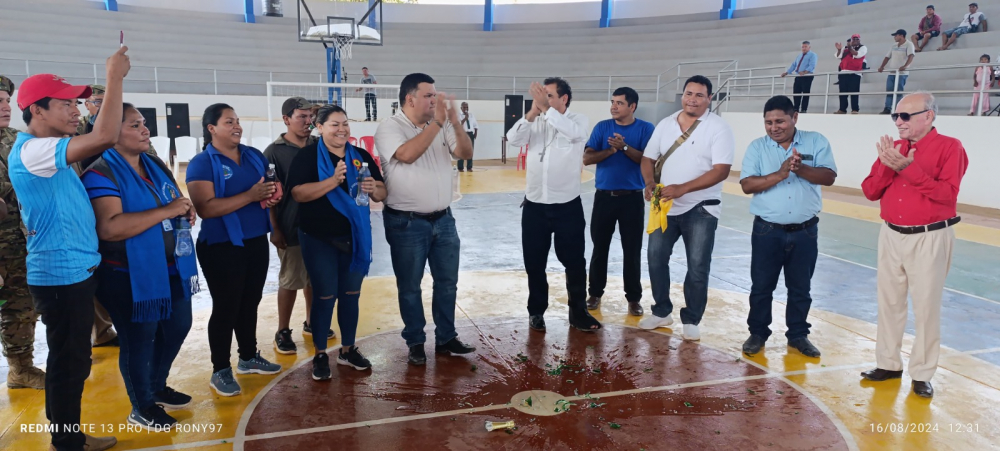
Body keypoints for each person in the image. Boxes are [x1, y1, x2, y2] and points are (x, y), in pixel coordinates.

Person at [7, 47, 131, 451]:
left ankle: (68, 435)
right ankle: (67, 441)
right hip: (61, 274)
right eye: (66, 104)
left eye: (77, 103)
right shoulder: (33, 151)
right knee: (69, 362)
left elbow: (98, 142)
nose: (76, 110)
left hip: (75, 268)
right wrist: (115, 77)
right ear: (37, 110)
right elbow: (106, 136)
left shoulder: (51, 151)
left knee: (72, 359)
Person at [82, 103, 198, 430]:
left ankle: (156, 385)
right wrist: (168, 211)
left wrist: (184, 211)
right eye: (135, 125)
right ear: (109, 132)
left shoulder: (154, 164)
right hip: (127, 273)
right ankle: (142, 405)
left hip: (170, 266)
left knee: (178, 326)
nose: (145, 129)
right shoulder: (100, 173)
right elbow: (111, 227)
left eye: (144, 123)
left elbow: (173, 200)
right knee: (139, 339)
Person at [860, 92, 968, 399]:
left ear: (928, 116)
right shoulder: (893, 148)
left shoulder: (950, 147)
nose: (898, 121)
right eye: (895, 116)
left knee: (926, 307)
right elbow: (870, 191)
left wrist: (907, 168)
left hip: (930, 236)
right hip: (891, 234)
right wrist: (886, 165)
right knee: (889, 303)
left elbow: (947, 195)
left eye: (905, 116)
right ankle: (888, 364)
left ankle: (922, 373)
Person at [374, 73, 476, 366]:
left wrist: (455, 122)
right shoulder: (390, 128)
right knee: (410, 285)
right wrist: (439, 123)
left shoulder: (440, 125)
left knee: (447, 283)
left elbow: (466, 153)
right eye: (429, 96)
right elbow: (406, 155)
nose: (435, 100)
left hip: (443, 220)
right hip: (406, 222)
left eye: (436, 96)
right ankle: (416, 341)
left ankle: (446, 337)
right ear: (410, 98)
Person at [186, 103, 282, 397]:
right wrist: (250, 195)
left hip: (255, 240)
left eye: (238, 121)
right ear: (211, 128)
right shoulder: (202, 163)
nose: (237, 126)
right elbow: (206, 208)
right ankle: (220, 370)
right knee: (227, 306)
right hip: (220, 245)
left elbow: (270, 186)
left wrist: (271, 196)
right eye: (229, 122)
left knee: (250, 301)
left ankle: (248, 357)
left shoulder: (253, 155)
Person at [287, 105, 387, 380]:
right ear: (319, 128)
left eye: (345, 123)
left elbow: (381, 193)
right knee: (325, 295)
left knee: (351, 296)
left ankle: (347, 349)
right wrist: (332, 181)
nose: (342, 129)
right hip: (318, 238)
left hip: (354, 238)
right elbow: (298, 194)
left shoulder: (360, 157)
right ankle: (320, 354)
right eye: (334, 124)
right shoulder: (307, 157)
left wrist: (373, 188)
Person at [739, 95, 837, 358]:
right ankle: (757, 332)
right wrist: (782, 173)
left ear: (795, 118)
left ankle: (798, 335)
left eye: (780, 121)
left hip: (805, 231)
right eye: (768, 122)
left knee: (800, 287)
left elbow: (828, 176)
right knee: (761, 286)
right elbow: (747, 185)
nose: (774, 127)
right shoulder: (757, 147)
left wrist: (800, 168)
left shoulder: (816, 141)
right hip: (766, 231)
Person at [638, 75, 734, 342]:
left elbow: (721, 171)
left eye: (699, 95)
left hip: (701, 208)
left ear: (709, 99)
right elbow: (648, 158)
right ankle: (661, 311)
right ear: (683, 95)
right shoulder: (666, 124)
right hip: (664, 206)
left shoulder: (718, 128)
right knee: (656, 257)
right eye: (688, 93)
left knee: (697, 265)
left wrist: (683, 188)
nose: (692, 99)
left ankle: (692, 318)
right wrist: (649, 183)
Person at [506, 78, 602, 333]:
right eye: (542, 95)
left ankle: (578, 312)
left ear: (564, 99)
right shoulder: (535, 120)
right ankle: (536, 311)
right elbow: (513, 138)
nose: (543, 100)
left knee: (574, 262)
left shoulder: (577, 120)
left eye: (548, 95)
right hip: (535, 206)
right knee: (534, 262)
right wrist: (532, 112)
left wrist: (546, 110)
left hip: (566, 206)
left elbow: (575, 135)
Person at [264, 97, 333, 355]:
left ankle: (311, 322)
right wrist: (275, 228)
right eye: (300, 117)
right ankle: (282, 329)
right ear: (286, 120)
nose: (307, 122)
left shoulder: (319, 145)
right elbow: (270, 194)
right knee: (291, 279)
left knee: (314, 277)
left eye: (309, 117)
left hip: (318, 225)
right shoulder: (274, 151)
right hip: (290, 226)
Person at [581, 87, 654, 317]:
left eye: (619, 103)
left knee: (631, 250)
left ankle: (633, 299)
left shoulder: (645, 129)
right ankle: (594, 293)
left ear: (632, 107)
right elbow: (587, 157)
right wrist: (611, 150)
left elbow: (648, 160)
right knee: (599, 248)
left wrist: (624, 147)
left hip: (632, 199)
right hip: (604, 197)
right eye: (612, 102)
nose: (614, 106)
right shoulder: (602, 127)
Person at [0, 75, 46, 391]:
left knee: (21, 307)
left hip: (22, 241)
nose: (4, 106)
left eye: (6, 100)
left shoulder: (17, 140)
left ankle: (21, 368)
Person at [878, 29, 916, 114]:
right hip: (892, 72)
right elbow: (887, 57)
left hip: (902, 73)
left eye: (896, 35)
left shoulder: (909, 44)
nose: (894, 37)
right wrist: (882, 66)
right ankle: (887, 108)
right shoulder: (894, 45)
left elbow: (911, 56)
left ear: (901, 36)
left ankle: (898, 109)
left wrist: (905, 66)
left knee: (898, 91)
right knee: (889, 90)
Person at [781, 41, 818, 113]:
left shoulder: (813, 55)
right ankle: (796, 108)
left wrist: (805, 72)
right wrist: (787, 72)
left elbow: (812, 65)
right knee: (796, 92)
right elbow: (794, 65)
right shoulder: (799, 56)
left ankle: (804, 109)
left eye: (805, 47)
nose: (804, 48)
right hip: (798, 75)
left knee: (805, 92)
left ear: (809, 47)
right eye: (803, 47)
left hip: (807, 76)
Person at [834, 34, 867, 114]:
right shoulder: (845, 48)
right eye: (853, 39)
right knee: (842, 92)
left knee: (854, 92)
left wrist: (849, 47)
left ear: (859, 40)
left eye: (857, 39)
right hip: (844, 72)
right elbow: (838, 56)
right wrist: (839, 49)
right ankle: (842, 109)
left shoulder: (863, 47)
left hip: (855, 73)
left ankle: (855, 109)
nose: (855, 40)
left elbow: (856, 54)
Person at [457, 102, 478, 172]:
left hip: (470, 134)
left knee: (470, 151)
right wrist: (465, 119)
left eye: (467, 107)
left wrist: (475, 134)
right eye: (464, 107)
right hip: (462, 134)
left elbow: (475, 125)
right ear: (461, 108)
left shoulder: (471, 115)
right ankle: (460, 167)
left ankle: (469, 167)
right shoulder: (458, 115)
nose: (466, 109)